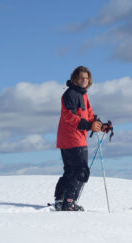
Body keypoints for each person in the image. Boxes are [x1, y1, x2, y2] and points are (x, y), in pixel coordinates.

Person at [54, 66, 102, 211]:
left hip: (68, 138)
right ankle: (69, 202)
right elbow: (69, 116)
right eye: (81, 78)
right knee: (81, 171)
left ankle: (60, 200)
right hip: (73, 138)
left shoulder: (83, 95)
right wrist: (89, 125)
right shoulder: (70, 94)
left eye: (86, 78)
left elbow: (90, 115)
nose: (84, 80)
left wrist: (100, 125)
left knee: (70, 170)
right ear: (75, 78)